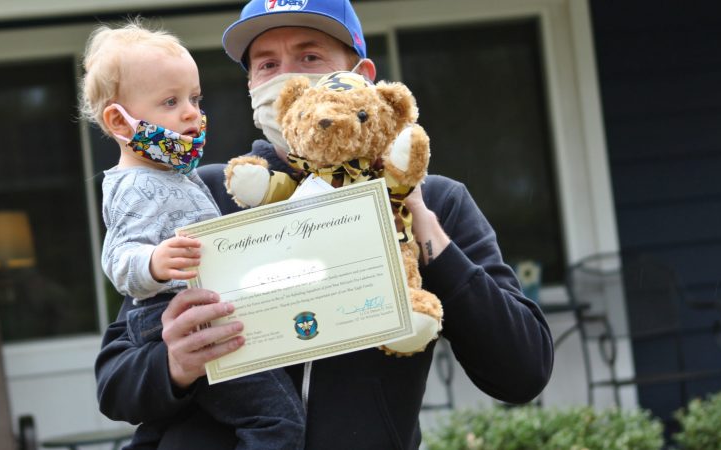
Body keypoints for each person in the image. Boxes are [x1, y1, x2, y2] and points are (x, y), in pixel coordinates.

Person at [95, 1, 555, 448]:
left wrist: (425, 227)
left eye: (309, 56)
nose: (286, 76)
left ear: (363, 77)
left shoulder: (434, 201)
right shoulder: (204, 194)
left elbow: (523, 370)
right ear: (251, 86)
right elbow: (115, 382)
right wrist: (173, 366)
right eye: (267, 64)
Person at [82, 21, 304, 449]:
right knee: (277, 422)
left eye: (194, 98)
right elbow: (117, 259)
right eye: (171, 101)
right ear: (118, 120)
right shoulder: (134, 185)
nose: (191, 113)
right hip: (183, 319)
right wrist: (154, 263)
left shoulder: (174, 174)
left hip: (204, 312)